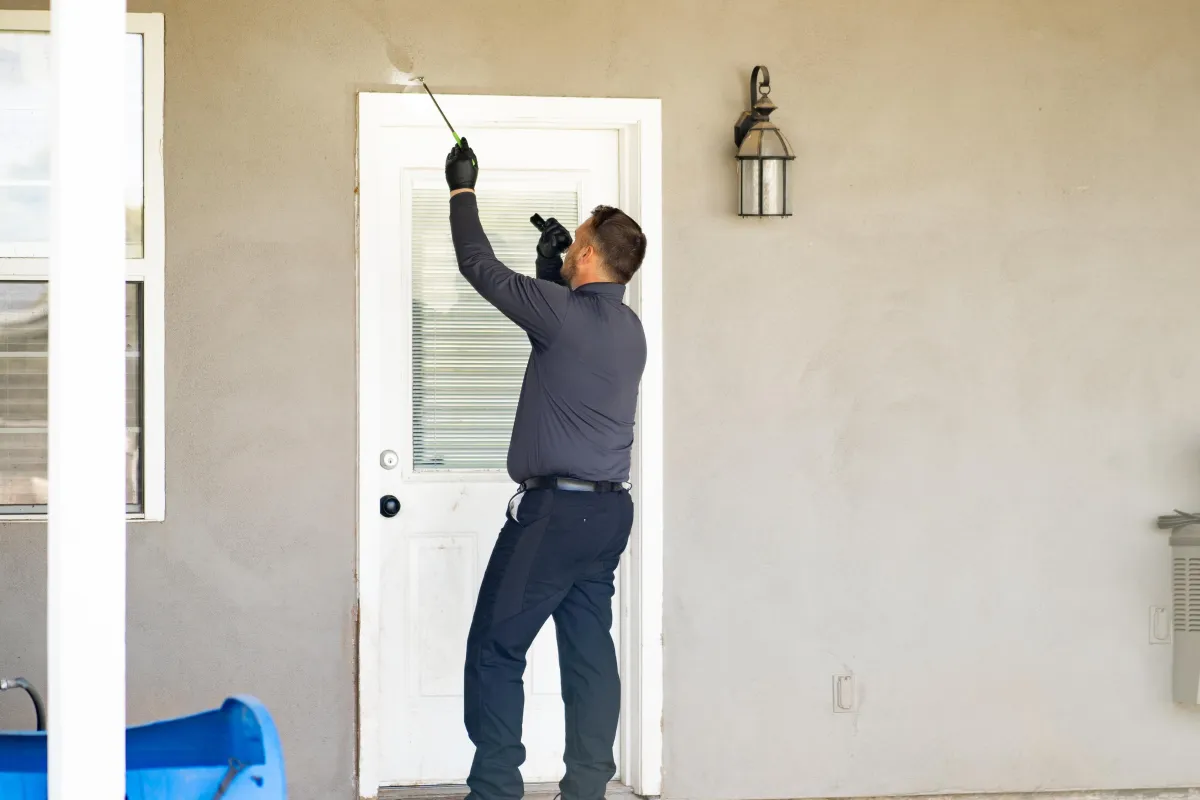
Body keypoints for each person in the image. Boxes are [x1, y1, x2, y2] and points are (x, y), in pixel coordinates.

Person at [444, 137, 648, 800]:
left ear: (587, 254)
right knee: (588, 654)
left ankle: (495, 790)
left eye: (572, 245)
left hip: (554, 516)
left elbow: (477, 266)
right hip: (608, 514)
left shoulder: (561, 314)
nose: (566, 250)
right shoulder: (628, 329)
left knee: (495, 650)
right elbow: (562, 328)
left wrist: (462, 190)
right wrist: (548, 267)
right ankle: (588, 789)